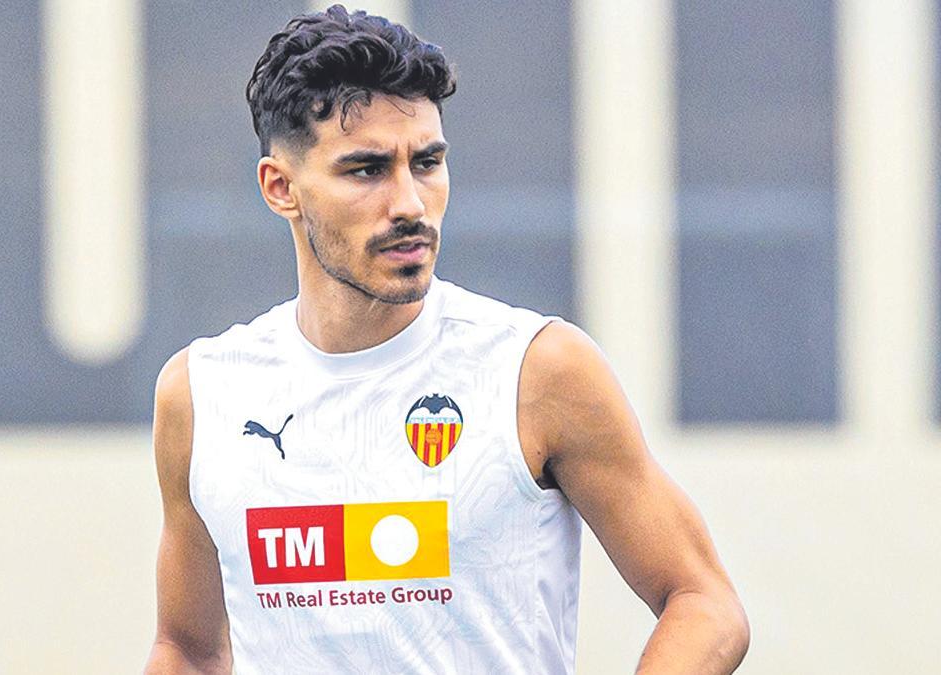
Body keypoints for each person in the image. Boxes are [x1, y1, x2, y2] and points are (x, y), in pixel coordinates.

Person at [146, 5, 748, 674]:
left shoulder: (538, 370)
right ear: (280, 187)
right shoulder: (201, 393)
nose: (409, 202)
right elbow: (188, 648)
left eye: (427, 162)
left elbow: (704, 602)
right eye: (367, 170)